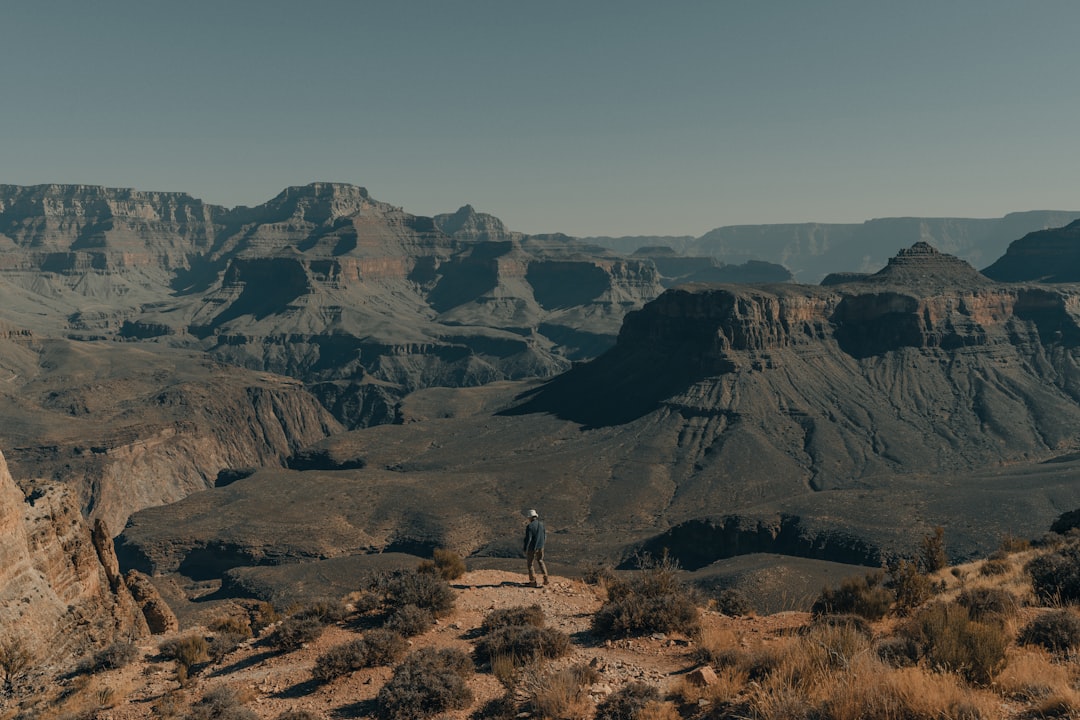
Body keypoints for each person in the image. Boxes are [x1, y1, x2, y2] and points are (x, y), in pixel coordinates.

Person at [523, 508, 548, 587]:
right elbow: (545, 536)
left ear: (530, 517)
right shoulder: (541, 524)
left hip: (532, 548)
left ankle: (533, 581)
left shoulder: (529, 526)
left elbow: (528, 539)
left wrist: (525, 548)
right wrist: (542, 544)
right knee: (540, 561)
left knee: (530, 564)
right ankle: (546, 578)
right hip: (541, 546)